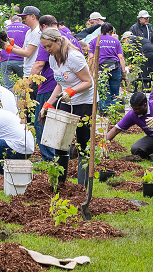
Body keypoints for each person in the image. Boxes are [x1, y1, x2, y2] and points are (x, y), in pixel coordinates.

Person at [38, 27, 96, 182]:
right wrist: (48, 105)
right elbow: (60, 84)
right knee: (60, 141)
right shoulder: (52, 58)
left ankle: (83, 184)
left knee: (83, 143)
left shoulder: (73, 56)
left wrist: (71, 92)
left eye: (49, 46)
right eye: (44, 47)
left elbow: (88, 82)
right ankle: (60, 182)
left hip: (85, 102)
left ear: (58, 40)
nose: (47, 49)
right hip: (66, 101)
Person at [24, 15, 61, 162]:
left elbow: (39, 64)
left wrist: (27, 86)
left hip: (49, 86)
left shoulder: (47, 40)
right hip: (64, 85)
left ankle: (48, 156)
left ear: (44, 27)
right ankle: (59, 154)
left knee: (41, 120)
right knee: (58, 121)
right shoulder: (68, 36)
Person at [103, 92, 153, 165]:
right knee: (135, 149)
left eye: (137, 109)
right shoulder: (133, 114)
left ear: (145, 105)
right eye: (133, 108)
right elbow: (116, 129)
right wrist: (101, 146)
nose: (134, 111)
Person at [89, 23, 126, 111]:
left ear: (101, 31)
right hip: (115, 70)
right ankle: (113, 114)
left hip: (101, 70)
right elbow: (120, 57)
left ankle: (104, 115)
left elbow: (91, 57)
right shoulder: (116, 41)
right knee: (115, 93)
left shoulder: (95, 41)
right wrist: (123, 72)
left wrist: (91, 71)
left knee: (103, 93)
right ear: (111, 32)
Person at [1, 16, 28, 87]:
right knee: (24, 85)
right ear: (21, 21)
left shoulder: (5, 28)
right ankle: (22, 98)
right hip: (20, 59)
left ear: (11, 22)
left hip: (6, 59)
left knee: (8, 86)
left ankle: (11, 97)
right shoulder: (27, 28)